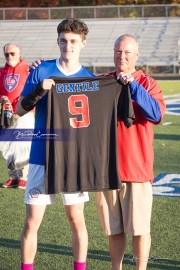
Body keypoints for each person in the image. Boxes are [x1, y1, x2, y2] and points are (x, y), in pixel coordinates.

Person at [16, 18, 95, 270]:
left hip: (73, 160)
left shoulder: (90, 79)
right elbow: (19, 109)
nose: (67, 46)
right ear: (57, 41)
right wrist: (39, 90)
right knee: (32, 222)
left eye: (73, 41)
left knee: (76, 219)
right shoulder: (41, 70)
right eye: (63, 40)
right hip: (41, 154)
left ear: (83, 42)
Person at [95, 34, 166, 270]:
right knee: (114, 229)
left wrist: (132, 86)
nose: (121, 56)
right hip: (107, 171)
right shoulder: (103, 82)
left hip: (137, 169)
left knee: (139, 228)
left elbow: (155, 115)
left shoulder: (147, 83)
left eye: (127, 52)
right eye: (117, 51)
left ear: (137, 55)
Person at [0, 43, 31, 189]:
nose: (9, 56)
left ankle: (24, 177)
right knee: (9, 145)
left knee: (23, 144)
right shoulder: (2, 72)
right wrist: (2, 99)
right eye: (6, 54)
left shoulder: (27, 69)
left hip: (24, 111)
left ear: (19, 53)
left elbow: (34, 87)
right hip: (7, 113)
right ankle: (13, 177)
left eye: (12, 53)